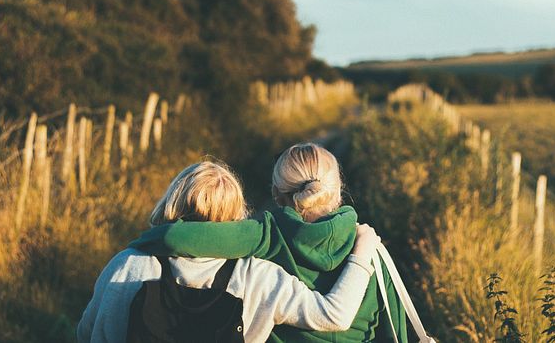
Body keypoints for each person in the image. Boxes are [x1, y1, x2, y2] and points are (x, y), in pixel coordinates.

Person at [77, 161, 380, 343]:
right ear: (237, 212)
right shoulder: (257, 276)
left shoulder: (128, 265)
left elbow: (88, 332)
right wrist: (362, 253)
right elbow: (334, 315)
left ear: (172, 201)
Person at [131, 143, 409, 342]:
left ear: (276, 194)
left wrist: (139, 242)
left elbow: (172, 237)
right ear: (338, 190)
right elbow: (396, 331)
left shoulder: (266, 234)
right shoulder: (370, 249)